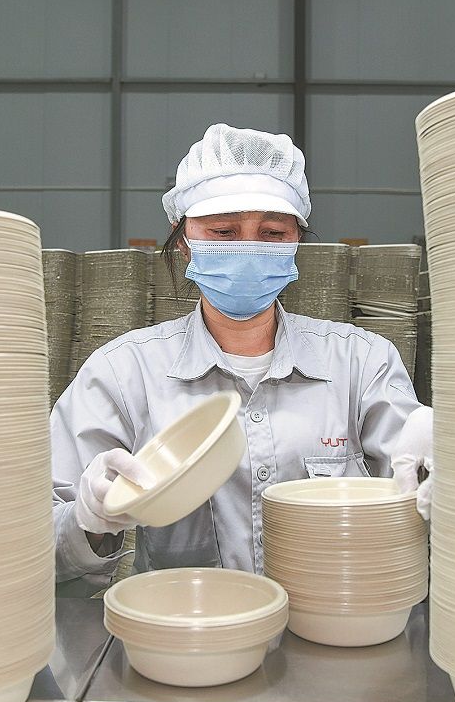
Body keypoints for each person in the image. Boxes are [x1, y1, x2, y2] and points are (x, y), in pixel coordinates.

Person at [51, 123, 433, 596]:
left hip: (332, 633)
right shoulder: (122, 373)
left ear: (297, 241)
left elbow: (422, 496)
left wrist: (450, 462)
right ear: (183, 235)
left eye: (272, 233)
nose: (249, 248)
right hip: (191, 640)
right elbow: (34, 547)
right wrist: (88, 520)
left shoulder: (363, 363)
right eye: (223, 231)